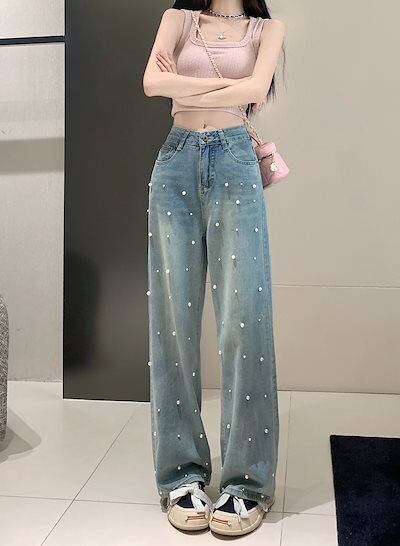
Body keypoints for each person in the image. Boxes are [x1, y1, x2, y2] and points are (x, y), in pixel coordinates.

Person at [142, 0, 285, 537]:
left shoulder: (267, 29)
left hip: (234, 159)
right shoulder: (177, 19)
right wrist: (226, 88)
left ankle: (247, 482)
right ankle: (180, 474)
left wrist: (184, 86)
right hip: (175, 161)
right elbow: (151, 84)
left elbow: (256, 91)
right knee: (172, 327)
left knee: (245, 323)